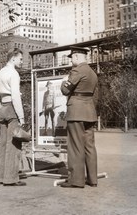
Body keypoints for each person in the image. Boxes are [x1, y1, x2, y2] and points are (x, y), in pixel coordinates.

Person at [60, 46, 98, 188]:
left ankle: (76, 181)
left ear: (76, 57)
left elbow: (65, 90)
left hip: (76, 111)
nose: (71, 61)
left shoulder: (76, 71)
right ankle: (92, 179)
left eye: (72, 58)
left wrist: (65, 81)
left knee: (75, 145)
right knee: (90, 146)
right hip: (89, 111)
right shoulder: (93, 73)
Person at [0, 48, 26, 186]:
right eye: (20, 58)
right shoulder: (14, 73)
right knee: (13, 143)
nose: (22, 61)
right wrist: (22, 117)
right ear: (13, 58)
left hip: (3, 107)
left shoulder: (0, 72)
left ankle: (1, 177)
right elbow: (15, 96)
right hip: (12, 108)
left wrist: (0, 108)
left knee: (3, 143)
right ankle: (11, 178)